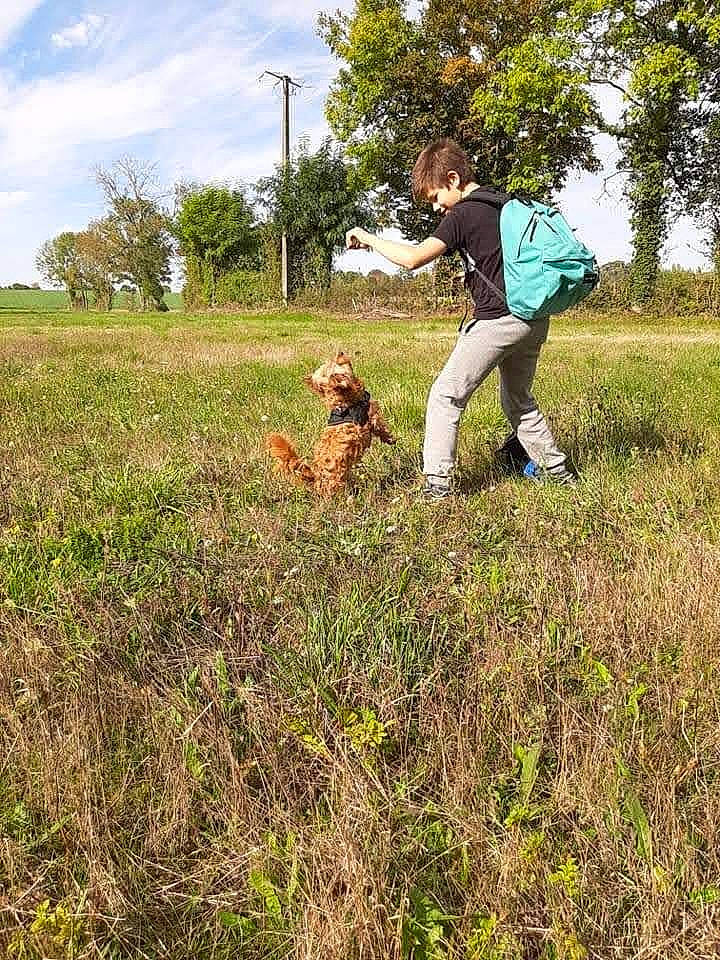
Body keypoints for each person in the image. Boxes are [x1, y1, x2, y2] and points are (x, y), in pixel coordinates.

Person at [346, 137, 575, 499]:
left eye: (436, 196)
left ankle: (438, 485)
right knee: (518, 399)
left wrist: (369, 238)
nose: (437, 207)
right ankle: (556, 471)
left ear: (453, 179)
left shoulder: (465, 213)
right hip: (534, 318)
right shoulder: (505, 204)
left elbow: (413, 259)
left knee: (445, 395)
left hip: (499, 321)